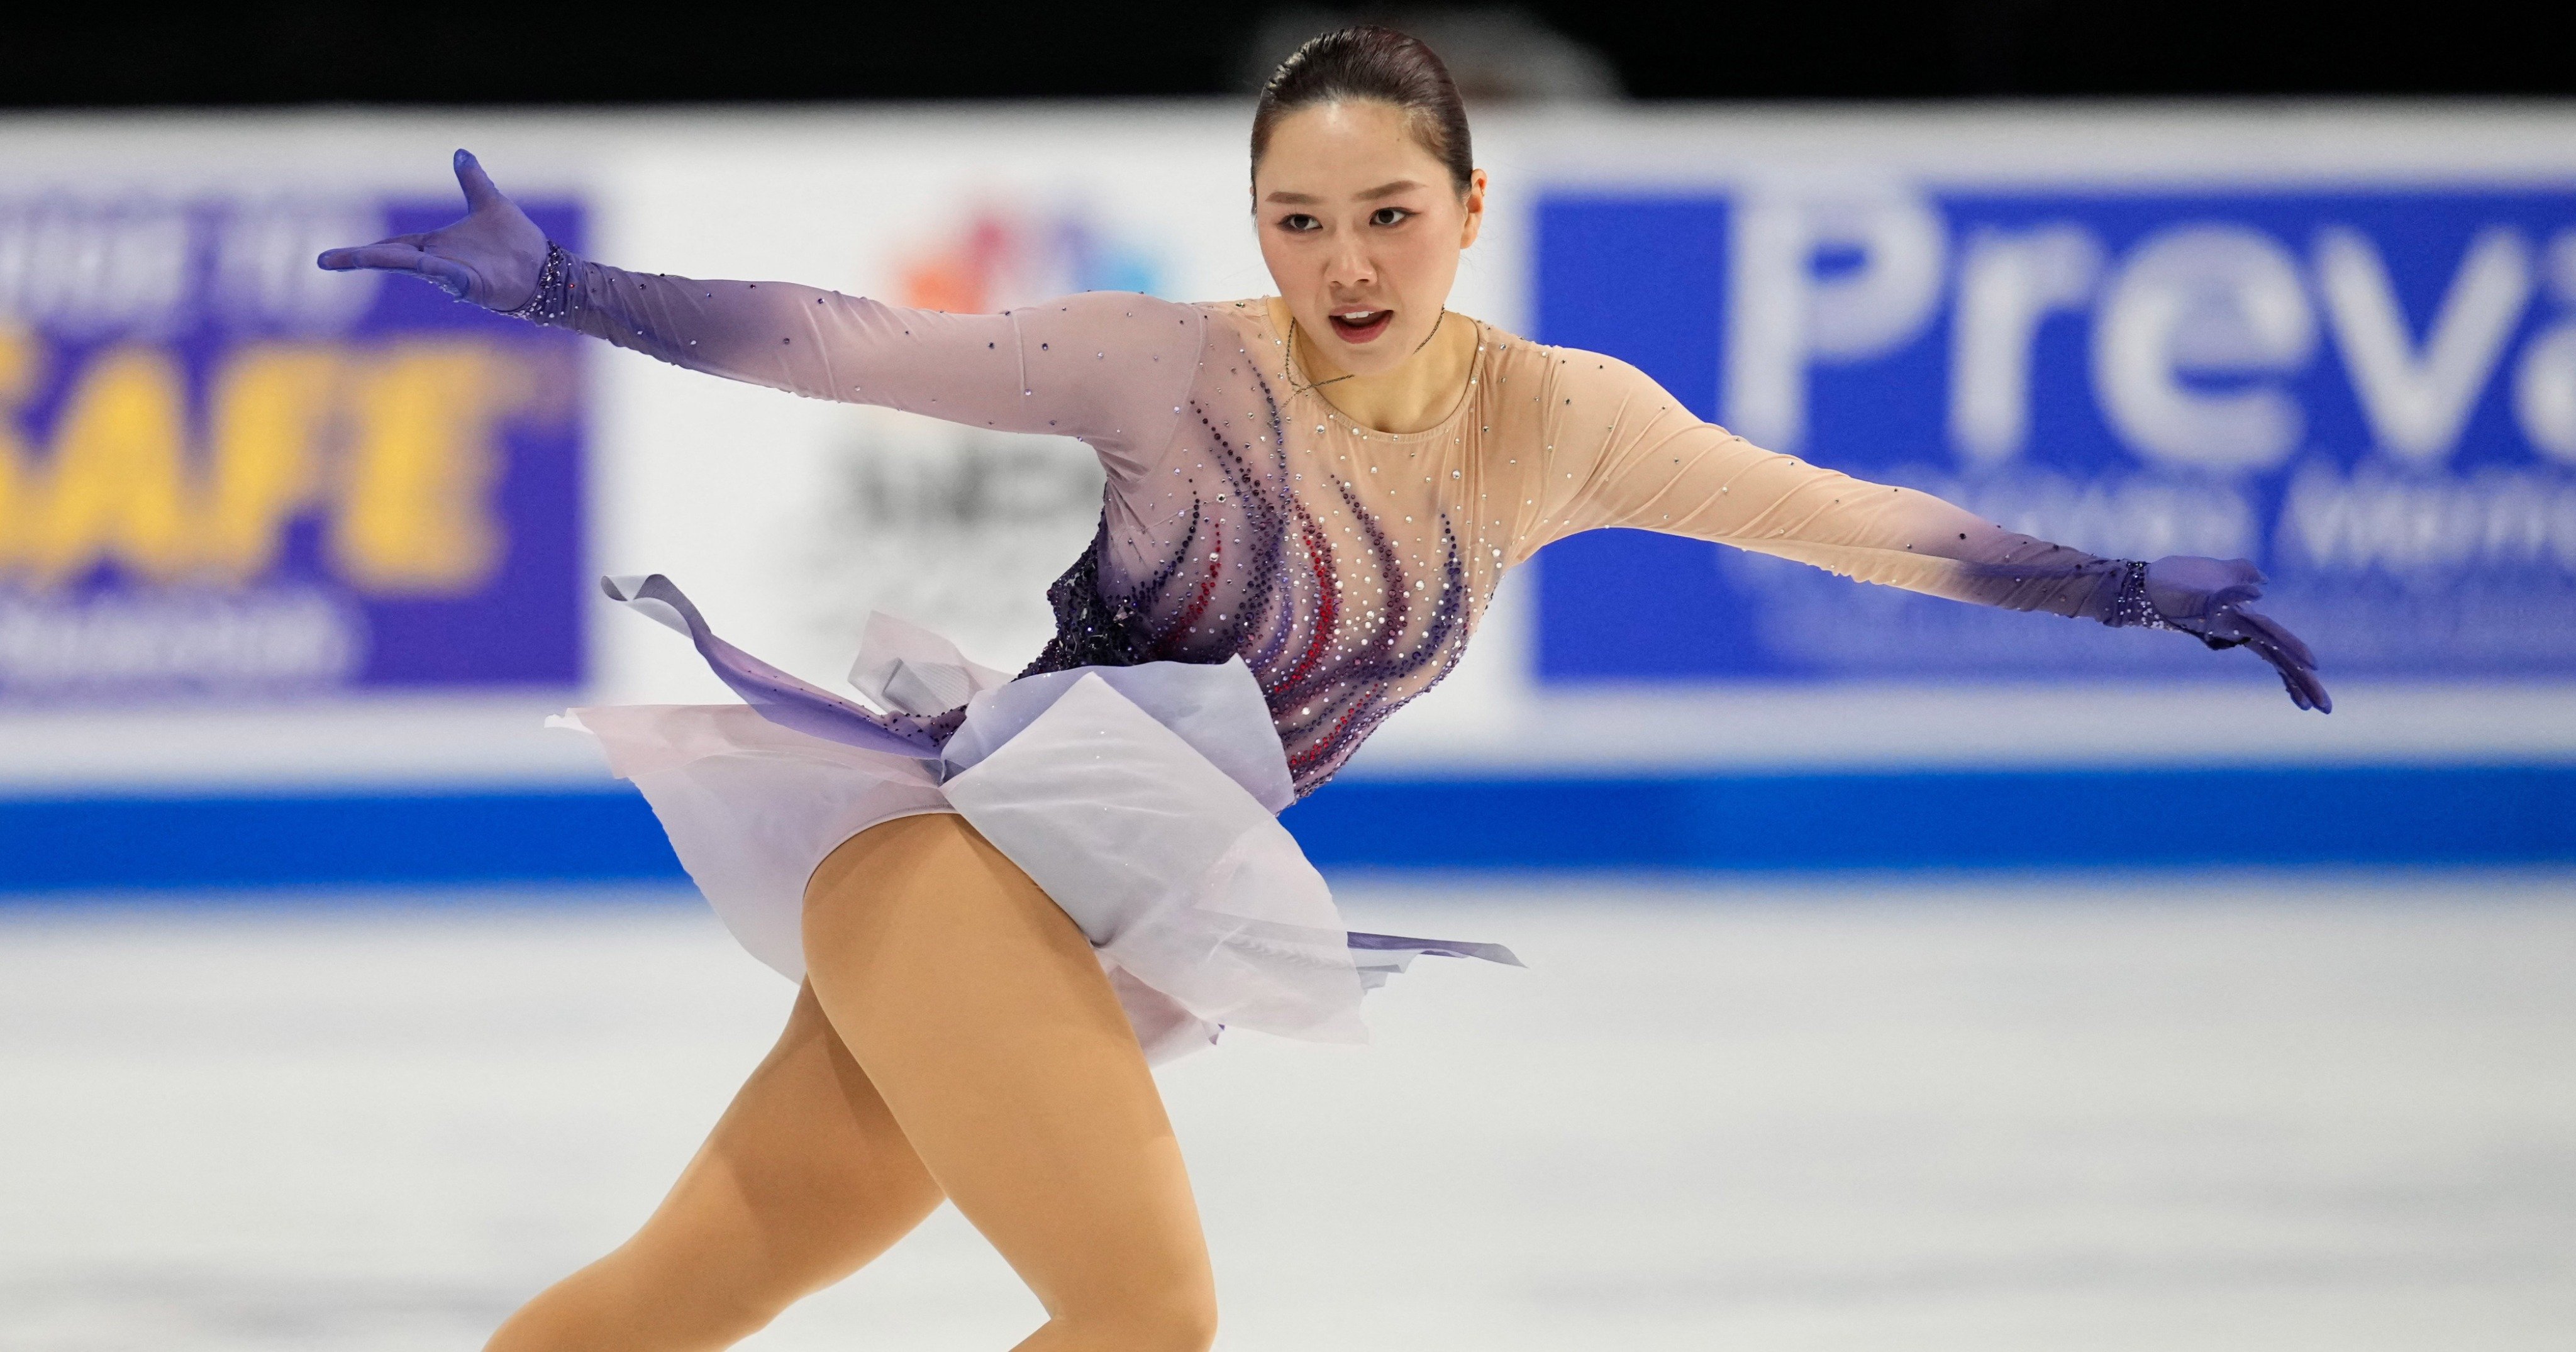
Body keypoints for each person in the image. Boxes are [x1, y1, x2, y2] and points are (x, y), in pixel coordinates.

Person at [319, 25, 2326, 1352]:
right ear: (1257, 228)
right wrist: (574, 289)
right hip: (957, 870)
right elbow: (846, 342)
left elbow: (1849, 521)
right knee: (1150, 1320)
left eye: (1389, 216)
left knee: (669, 1300)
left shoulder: (1561, 423)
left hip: (1114, 919)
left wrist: (2131, 591)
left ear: (1470, 210)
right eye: (1301, 220)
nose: (1347, 262)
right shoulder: (1169, 368)